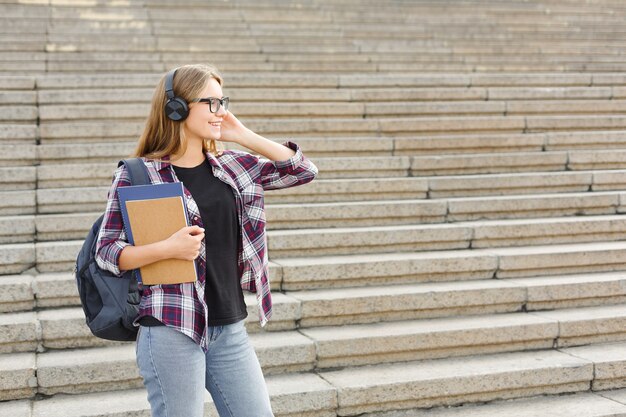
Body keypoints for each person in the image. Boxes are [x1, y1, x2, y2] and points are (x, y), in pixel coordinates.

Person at [94, 63, 318, 417]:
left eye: (223, 101)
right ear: (177, 108)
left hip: (229, 327)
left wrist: (242, 134)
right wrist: (167, 249)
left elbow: (303, 170)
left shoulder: (234, 167)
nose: (222, 111)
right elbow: (106, 252)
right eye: (211, 103)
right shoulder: (139, 174)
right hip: (172, 327)